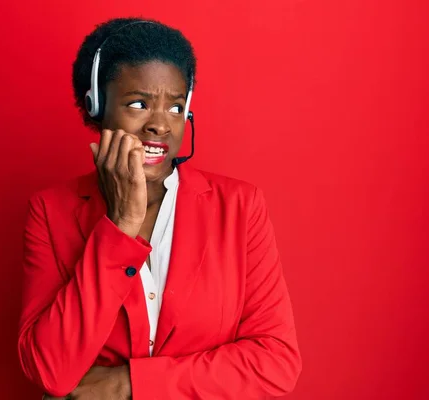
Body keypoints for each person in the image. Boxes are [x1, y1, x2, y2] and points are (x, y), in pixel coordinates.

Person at [17, 17, 302, 400]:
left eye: (175, 107)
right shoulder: (51, 213)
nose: (161, 126)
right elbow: (49, 369)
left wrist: (128, 384)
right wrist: (121, 226)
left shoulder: (239, 207)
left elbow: (276, 362)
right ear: (96, 106)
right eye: (139, 103)